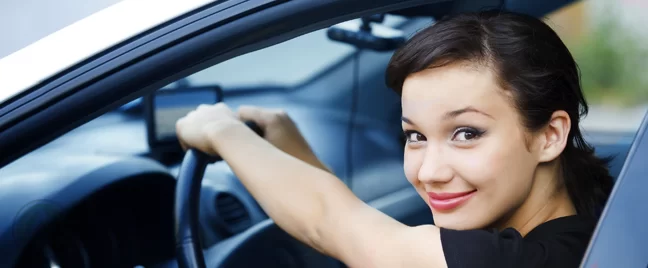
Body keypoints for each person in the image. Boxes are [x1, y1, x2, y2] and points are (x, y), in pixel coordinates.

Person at [175, 10, 614, 268]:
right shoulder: (596, 221)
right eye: (416, 136)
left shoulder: (528, 260)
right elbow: (351, 233)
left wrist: (221, 131)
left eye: (466, 133)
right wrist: (288, 146)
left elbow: (333, 223)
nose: (429, 172)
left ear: (550, 135)